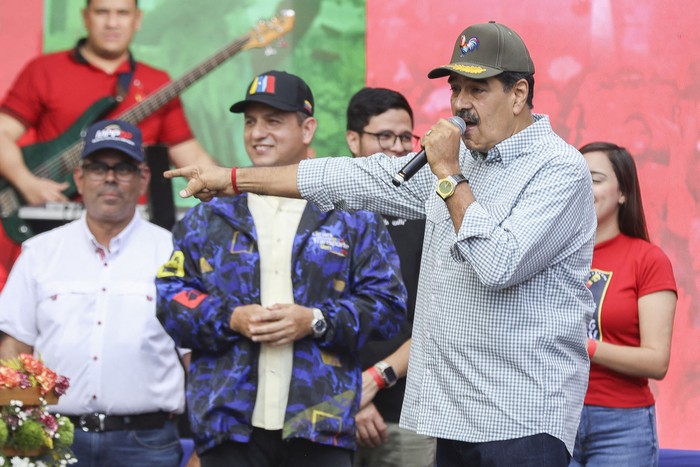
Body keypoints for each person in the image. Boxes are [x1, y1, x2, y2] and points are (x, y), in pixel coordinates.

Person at [164, 21, 598, 466]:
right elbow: (348, 177)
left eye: (478, 90)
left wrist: (448, 174)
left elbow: (497, 263)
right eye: (456, 89)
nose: (461, 106)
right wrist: (233, 179)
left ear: (519, 94)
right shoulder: (464, 159)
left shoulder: (558, 170)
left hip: (523, 420)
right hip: (454, 419)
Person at [155, 70, 406, 467]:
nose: (258, 133)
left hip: (319, 425)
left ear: (307, 129)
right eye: (251, 121)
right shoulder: (210, 216)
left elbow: (389, 307)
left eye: (273, 121)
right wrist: (230, 318)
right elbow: (170, 299)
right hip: (227, 426)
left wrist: (316, 320)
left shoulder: (350, 213)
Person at [0, 119, 186, 466]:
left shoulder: (174, 252)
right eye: (98, 167)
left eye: (123, 168)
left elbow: (196, 357)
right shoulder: (39, 253)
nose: (110, 178)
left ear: (143, 178)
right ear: (79, 178)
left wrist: (206, 448)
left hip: (147, 443)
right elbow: (14, 349)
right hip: (56, 438)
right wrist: (19, 441)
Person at [0, 0, 218, 289]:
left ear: (137, 19)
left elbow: (193, 159)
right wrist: (26, 182)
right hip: (55, 226)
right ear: (86, 17)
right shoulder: (44, 70)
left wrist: (243, 187)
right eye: (103, 12)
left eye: (122, 13)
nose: (112, 23)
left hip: (133, 235)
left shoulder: (157, 82)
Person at [571, 142, 677, 467]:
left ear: (622, 193)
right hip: (556, 415)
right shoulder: (554, 256)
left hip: (622, 425)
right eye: (576, 178)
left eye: (595, 179)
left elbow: (656, 361)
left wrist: (584, 346)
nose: (583, 187)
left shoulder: (648, 260)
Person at [345, 87, 435, 467]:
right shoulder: (328, 207)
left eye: (406, 138)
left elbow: (439, 319)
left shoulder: (433, 210)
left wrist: (375, 380)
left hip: (408, 414)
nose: (398, 148)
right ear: (353, 139)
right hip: (329, 410)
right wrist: (350, 396)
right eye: (385, 137)